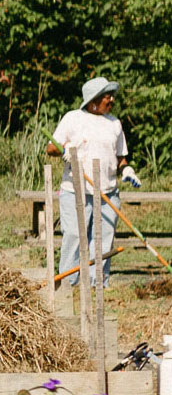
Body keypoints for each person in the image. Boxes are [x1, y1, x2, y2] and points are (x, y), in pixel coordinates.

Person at [46, 76, 140, 287]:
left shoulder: (114, 123)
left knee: (103, 238)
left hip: (108, 192)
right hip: (75, 190)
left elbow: (119, 156)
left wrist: (127, 169)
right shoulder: (73, 118)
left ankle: (97, 282)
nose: (112, 100)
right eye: (108, 96)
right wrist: (68, 148)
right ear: (93, 100)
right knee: (74, 235)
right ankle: (69, 282)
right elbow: (51, 148)